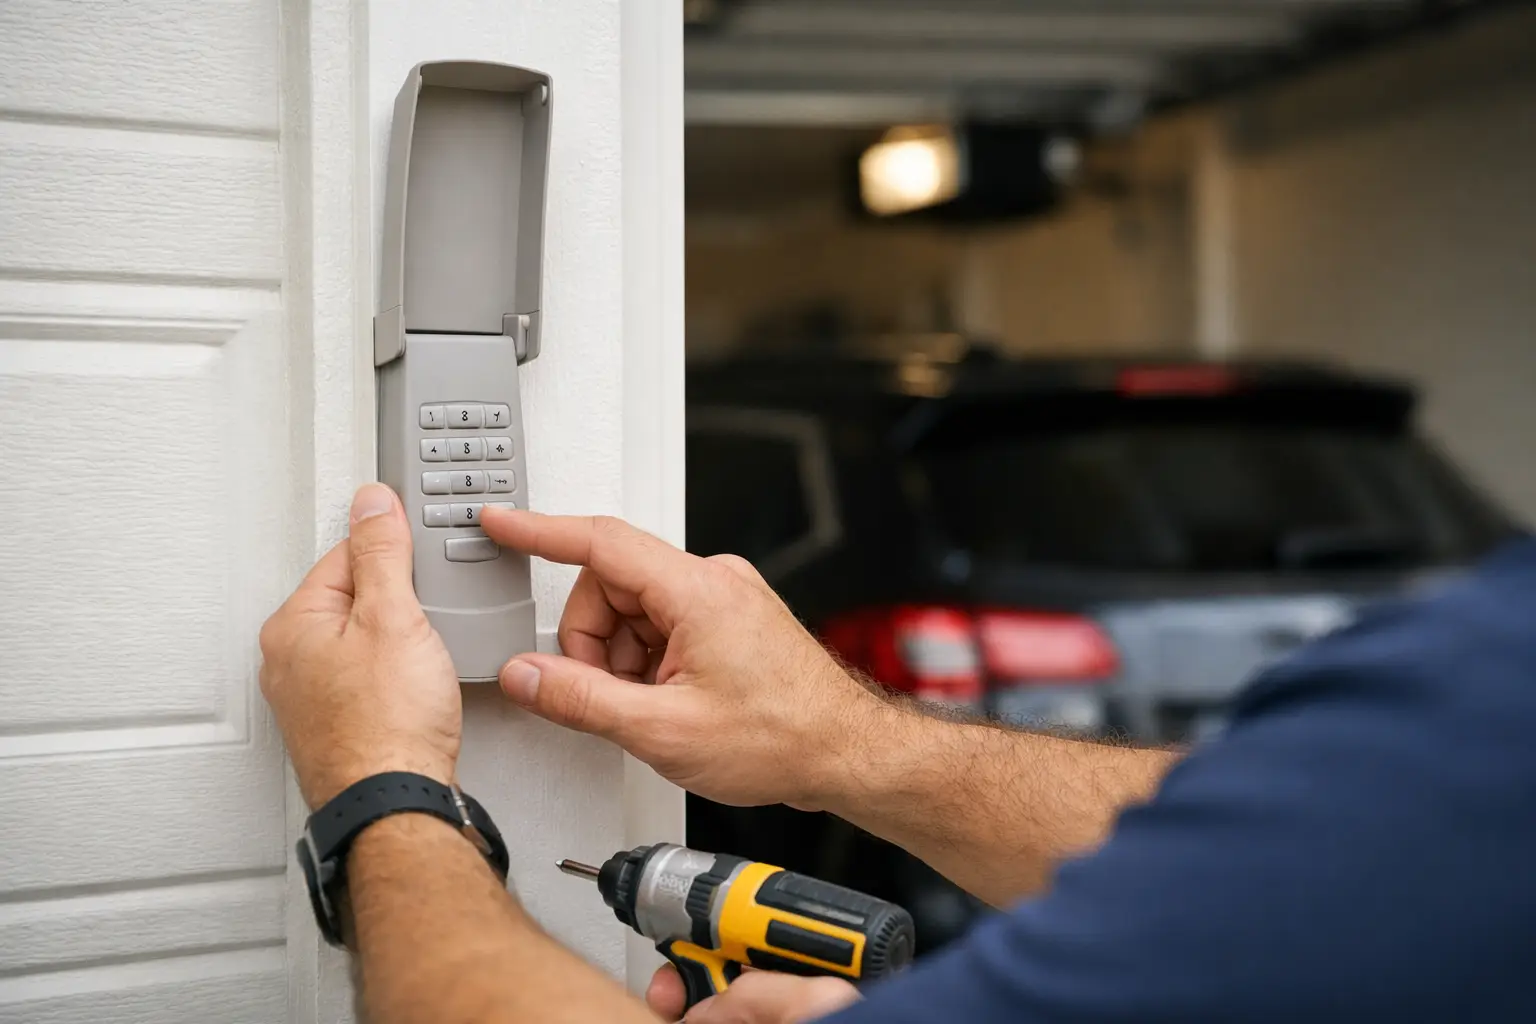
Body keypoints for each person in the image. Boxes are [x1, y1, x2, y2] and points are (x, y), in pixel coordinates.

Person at [259, 483, 1536, 1023]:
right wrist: (845, 743)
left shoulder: (1486, 694)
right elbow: (1297, 872)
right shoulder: (1478, 718)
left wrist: (381, 788)